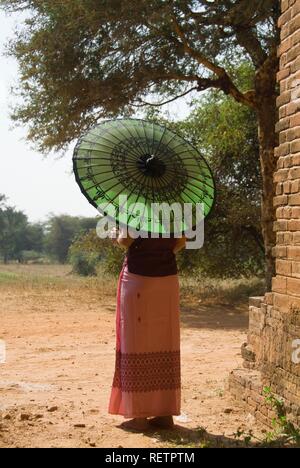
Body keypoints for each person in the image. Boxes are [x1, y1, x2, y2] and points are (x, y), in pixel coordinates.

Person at [108, 226, 186, 432]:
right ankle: (164, 414)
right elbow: (180, 242)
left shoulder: (137, 207)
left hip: (139, 278)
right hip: (168, 280)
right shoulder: (172, 210)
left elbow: (125, 240)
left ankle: (139, 416)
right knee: (164, 340)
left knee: (136, 341)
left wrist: (116, 234)